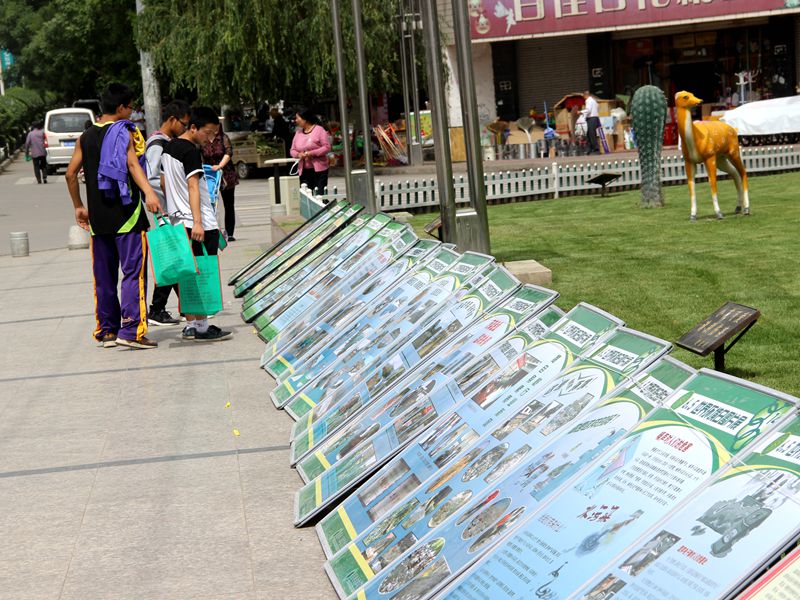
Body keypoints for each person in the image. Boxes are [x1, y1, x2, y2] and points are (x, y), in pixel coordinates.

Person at [65, 82, 162, 349]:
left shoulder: (85, 137)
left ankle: (108, 331)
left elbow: (70, 174)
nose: (132, 112)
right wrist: (149, 193)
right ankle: (131, 330)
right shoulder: (124, 132)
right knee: (133, 273)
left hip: (98, 218)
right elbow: (132, 163)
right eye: (130, 107)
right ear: (120, 108)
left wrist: (79, 206)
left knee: (104, 276)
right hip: (127, 215)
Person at [160, 106, 232, 342]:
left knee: (186, 276)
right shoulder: (190, 151)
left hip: (178, 221)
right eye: (207, 133)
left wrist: (174, 209)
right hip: (197, 223)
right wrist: (198, 222)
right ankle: (202, 327)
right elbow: (193, 187)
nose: (209, 140)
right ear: (193, 128)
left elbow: (163, 183)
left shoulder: (168, 147)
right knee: (202, 273)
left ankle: (191, 324)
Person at [145, 99, 191, 326]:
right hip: (165, 209)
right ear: (172, 119)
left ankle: (181, 305)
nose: (184, 128)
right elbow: (153, 178)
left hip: (170, 208)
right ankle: (161, 308)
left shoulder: (166, 142)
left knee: (176, 257)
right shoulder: (157, 144)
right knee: (173, 257)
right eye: (183, 123)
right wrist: (165, 204)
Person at [201, 126, 239, 241]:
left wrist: (220, 166)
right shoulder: (203, 139)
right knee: (210, 204)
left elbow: (228, 153)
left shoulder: (223, 138)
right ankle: (212, 231)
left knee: (229, 205)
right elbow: (199, 156)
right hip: (210, 176)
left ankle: (229, 233)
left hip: (226, 175)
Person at [290, 108, 331, 194]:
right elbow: (292, 150)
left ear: (305, 119)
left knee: (318, 195)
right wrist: (298, 154)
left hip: (319, 170)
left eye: (297, 118)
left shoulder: (319, 130)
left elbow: (327, 147)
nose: (295, 120)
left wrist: (312, 153)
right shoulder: (298, 133)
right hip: (304, 171)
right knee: (307, 195)